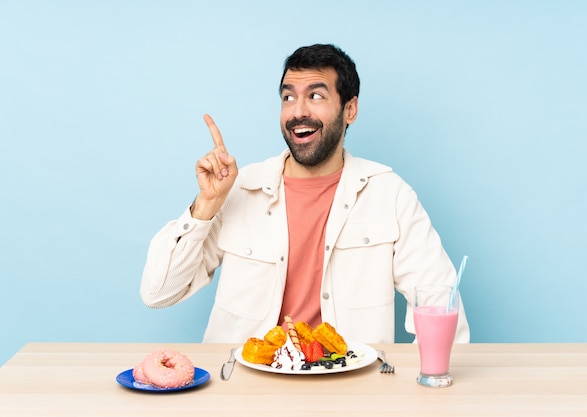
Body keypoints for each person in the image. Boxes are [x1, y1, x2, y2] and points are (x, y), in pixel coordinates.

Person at [140, 44, 470, 344]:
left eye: (315, 96)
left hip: (350, 390)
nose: (298, 111)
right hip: (244, 388)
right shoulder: (239, 189)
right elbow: (158, 292)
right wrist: (206, 205)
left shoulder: (389, 194)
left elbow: (442, 306)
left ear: (350, 110)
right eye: (288, 97)